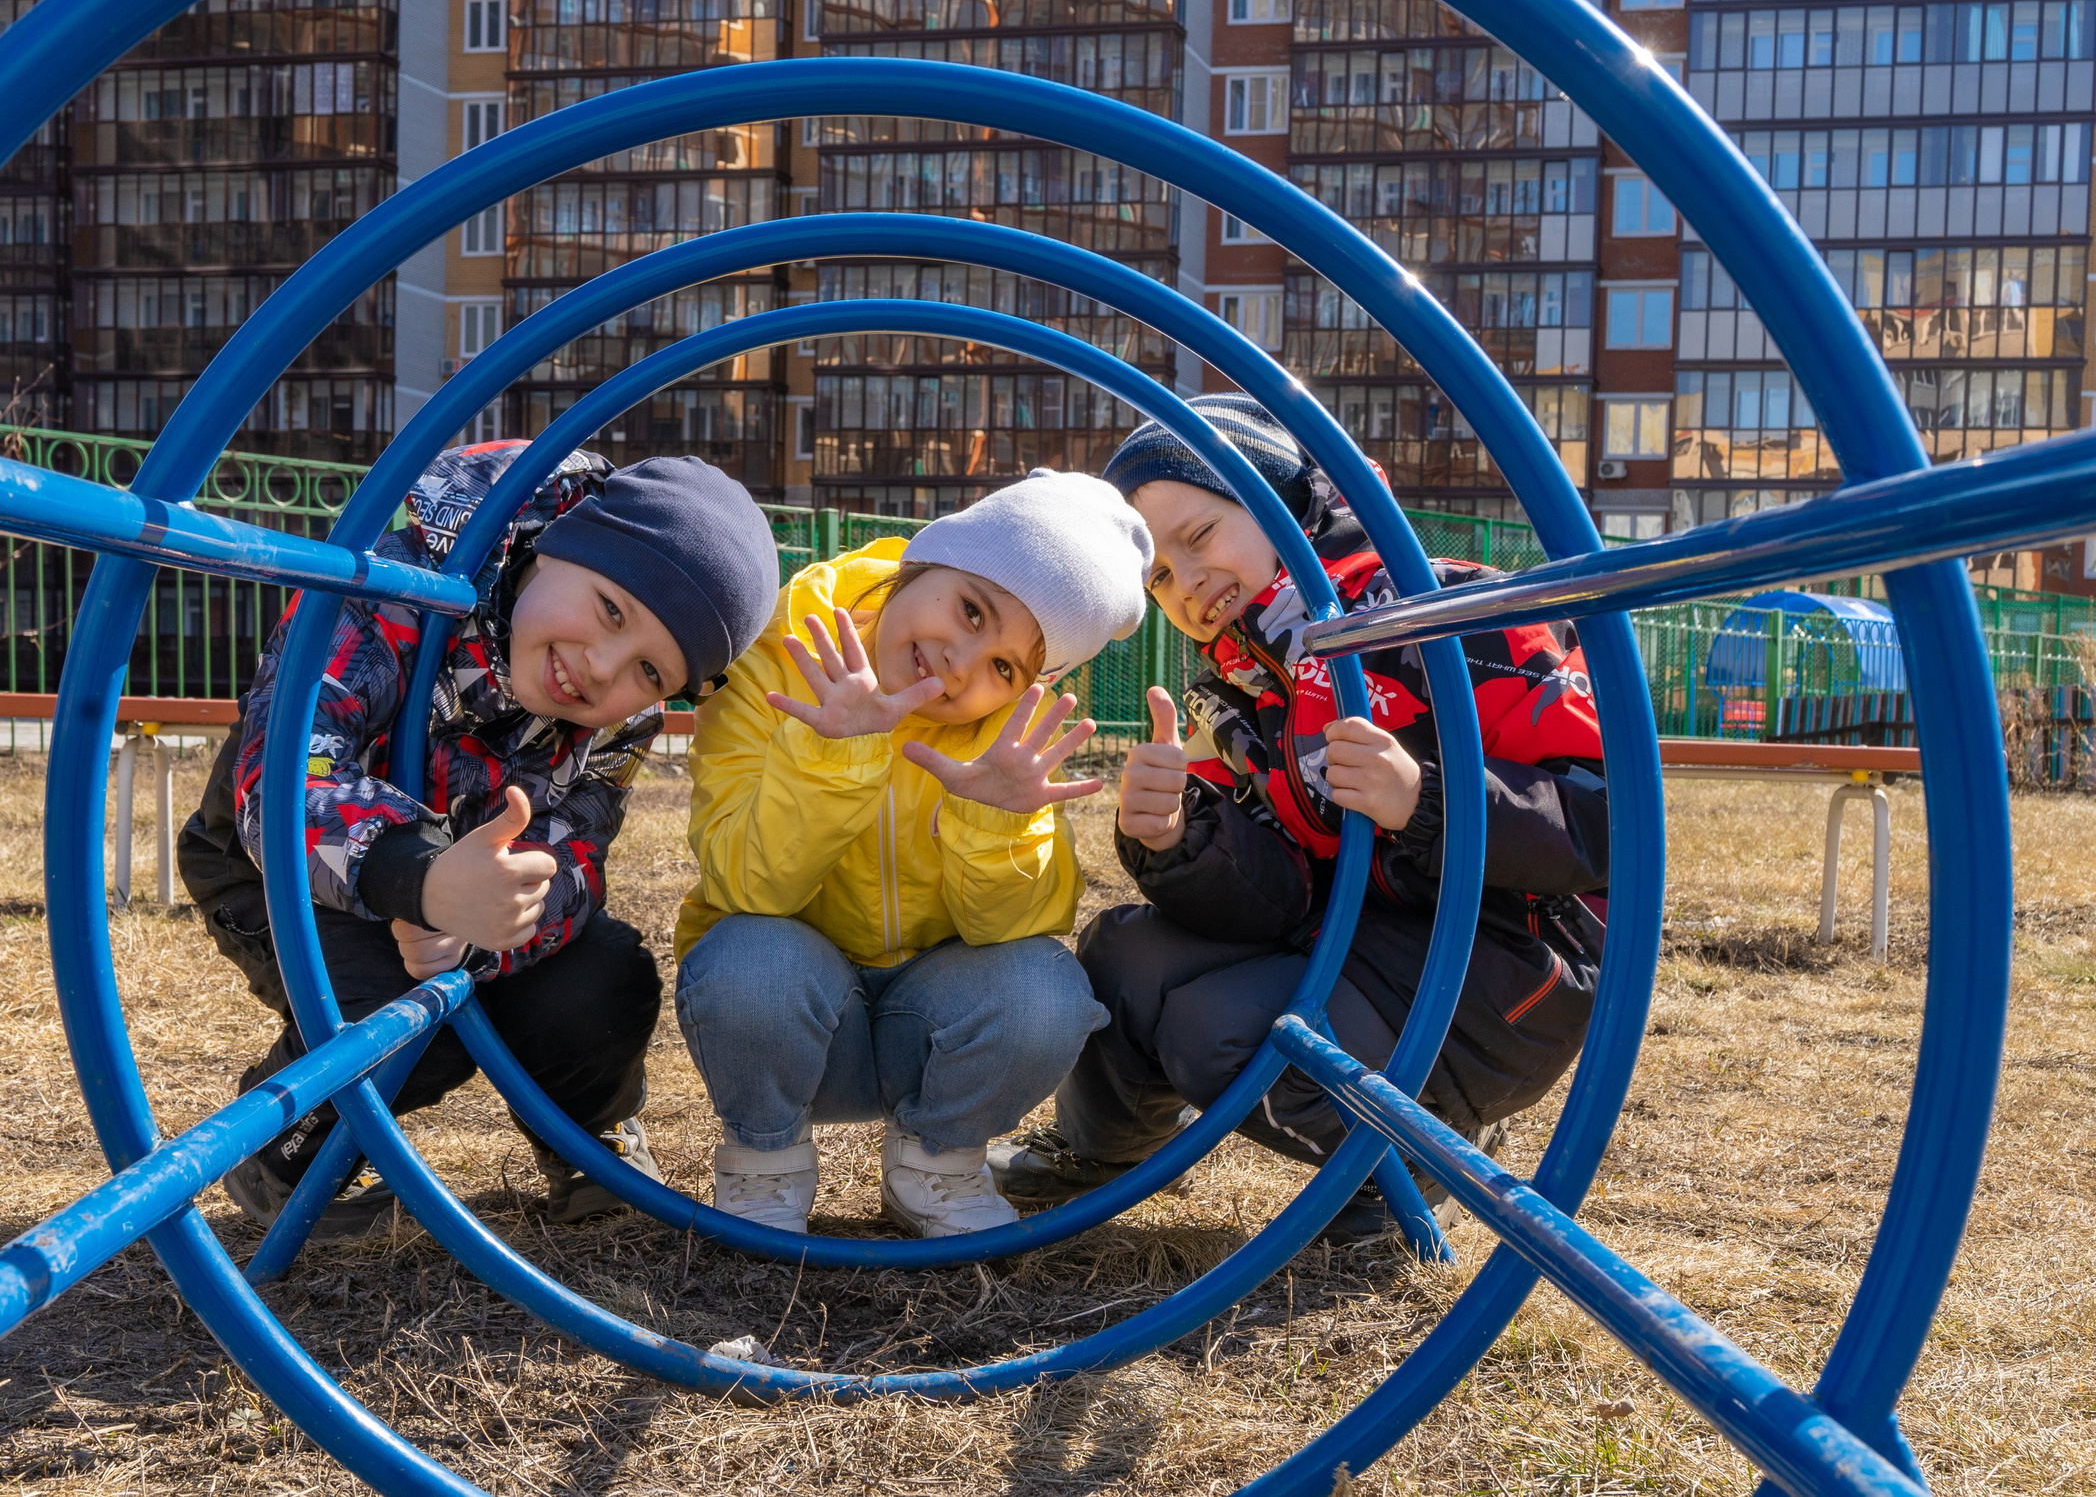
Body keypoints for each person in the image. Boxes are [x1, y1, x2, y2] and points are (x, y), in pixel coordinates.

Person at [988, 396, 1609, 1246]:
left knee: (1226, 1034)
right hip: (1357, 941)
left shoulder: (1446, 615)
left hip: (1506, 966)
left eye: (1199, 537)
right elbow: (1271, 899)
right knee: (1124, 956)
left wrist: (1427, 800)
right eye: (1159, 576)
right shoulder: (1240, 687)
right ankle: (1092, 1155)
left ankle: (1414, 1167)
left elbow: (1605, 816)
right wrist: (1179, 838)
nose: (1186, 579)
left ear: (1278, 498)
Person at [176, 441, 780, 1239]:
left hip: (470, 893)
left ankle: (585, 1140)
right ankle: (286, 1151)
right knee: (403, 1021)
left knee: (604, 981)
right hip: (281, 862)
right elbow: (285, 776)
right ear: (561, 542)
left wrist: (506, 915)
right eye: (609, 609)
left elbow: (578, 852)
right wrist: (420, 878)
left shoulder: (616, 720)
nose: (602, 670)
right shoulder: (394, 590)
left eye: (649, 672)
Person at [677, 470, 1153, 1237]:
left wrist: (995, 820)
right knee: (747, 957)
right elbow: (745, 885)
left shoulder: (1007, 738)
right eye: (971, 609)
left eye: (1006, 666)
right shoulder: (781, 650)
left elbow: (1015, 935)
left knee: (1045, 989)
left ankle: (937, 1162)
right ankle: (764, 1159)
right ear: (920, 564)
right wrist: (835, 754)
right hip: (792, 1012)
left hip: (926, 1030)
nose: (963, 662)